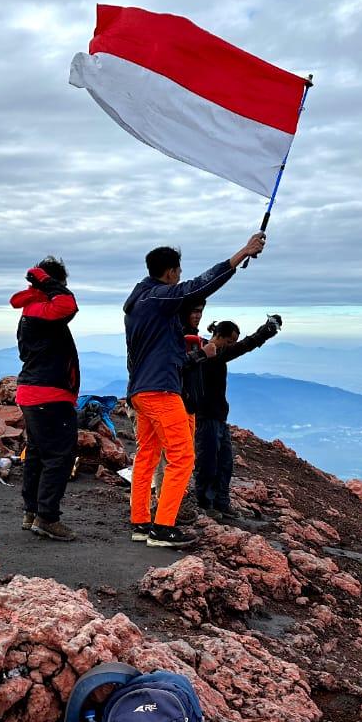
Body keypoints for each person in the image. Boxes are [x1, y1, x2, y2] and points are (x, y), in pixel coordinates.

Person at [122, 232, 266, 548]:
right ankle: (163, 528)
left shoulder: (139, 305)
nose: (181, 278)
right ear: (171, 272)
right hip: (160, 390)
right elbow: (200, 285)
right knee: (184, 455)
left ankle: (141, 522)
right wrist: (241, 253)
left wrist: (196, 352)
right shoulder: (161, 297)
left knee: (147, 455)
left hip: (139, 391)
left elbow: (160, 351)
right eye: (179, 272)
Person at [11, 257, 80, 541]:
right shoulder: (42, 310)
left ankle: (32, 512)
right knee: (59, 456)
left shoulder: (33, 310)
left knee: (38, 454)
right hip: (48, 395)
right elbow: (68, 304)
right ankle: (47, 517)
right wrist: (45, 279)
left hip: (34, 394)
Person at [186, 315, 282, 518]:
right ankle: (206, 503)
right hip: (206, 416)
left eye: (232, 343)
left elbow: (241, 346)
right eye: (229, 341)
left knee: (224, 462)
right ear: (218, 336)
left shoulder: (214, 352)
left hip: (218, 416)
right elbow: (244, 346)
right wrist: (265, 331)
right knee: (207, 461)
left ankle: (221, 502)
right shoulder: (207, 353)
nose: (231, 346)